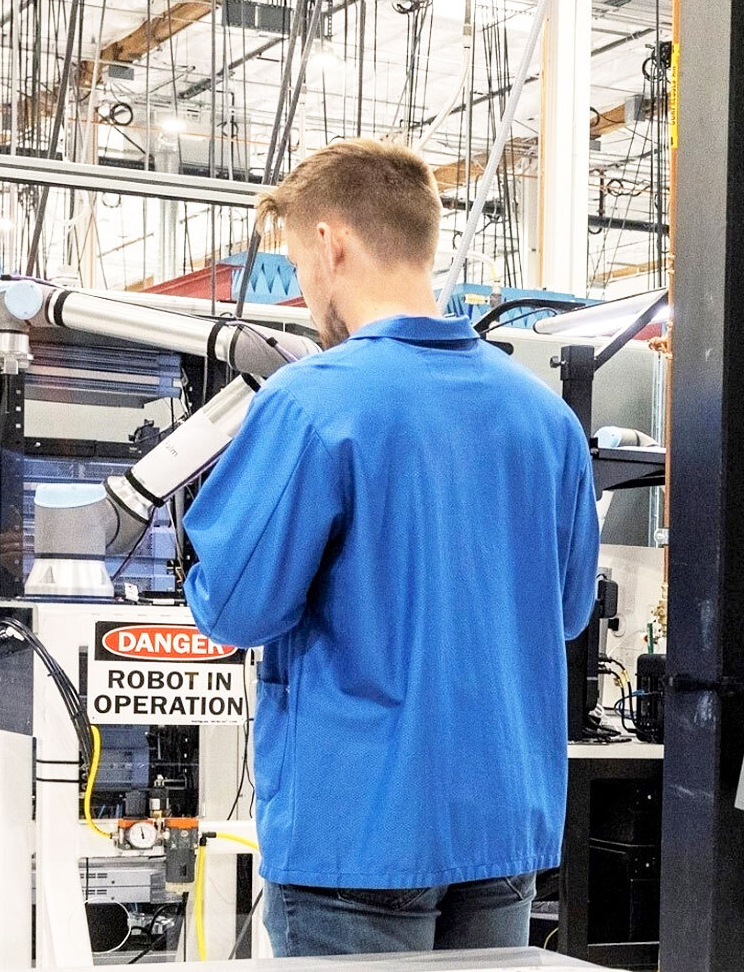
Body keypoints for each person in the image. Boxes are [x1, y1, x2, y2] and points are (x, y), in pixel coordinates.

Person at [183, 139, 600, 956]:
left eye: (300, 265)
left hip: (358, 837)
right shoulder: (546, 419)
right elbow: (570, 609)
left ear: (331, 243)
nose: (306, 296)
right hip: (501, 830)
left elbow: (236, 607)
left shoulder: (313, 403)